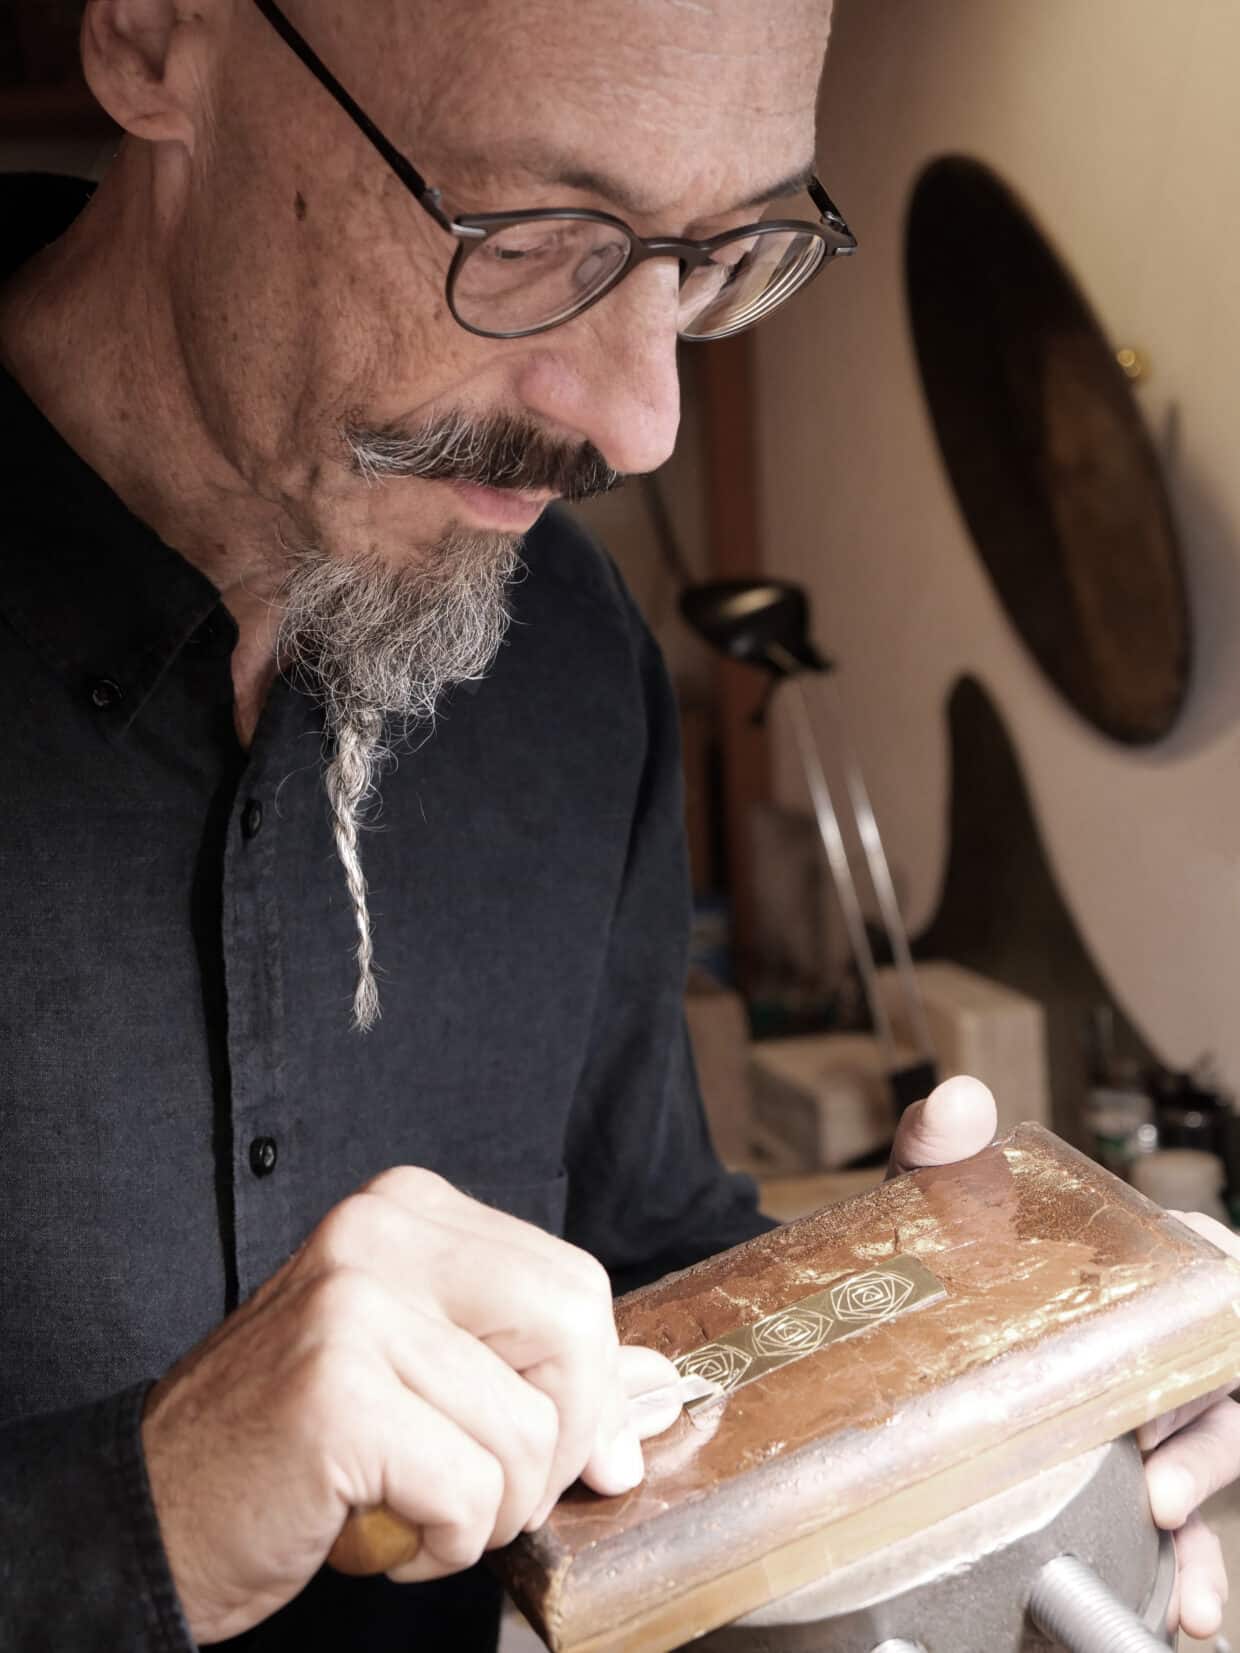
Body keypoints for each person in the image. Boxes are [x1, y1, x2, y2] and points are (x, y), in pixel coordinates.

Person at [0, 1, 1233, 1648]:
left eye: (722, 253)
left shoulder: (566, 659)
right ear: (157, 35)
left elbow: (638, 1270)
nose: (643, 421)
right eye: (529, 233)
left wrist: (930, 1347)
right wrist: (143, 1514)